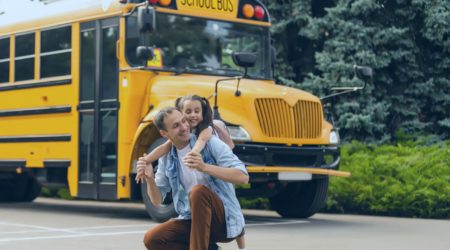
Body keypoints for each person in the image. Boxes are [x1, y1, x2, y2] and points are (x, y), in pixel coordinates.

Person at [136, 94, 245, 249]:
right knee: (153, 239)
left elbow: (243, 177)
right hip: (193, 219)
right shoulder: (167, 157)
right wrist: (150, 179)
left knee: (199, 192)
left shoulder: (209, 142)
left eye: (183, 121)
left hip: (224, 222)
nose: (184, 127)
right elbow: (157, 200)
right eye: (176, 126)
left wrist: (204, 167)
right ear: (164, 133)